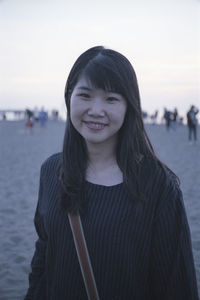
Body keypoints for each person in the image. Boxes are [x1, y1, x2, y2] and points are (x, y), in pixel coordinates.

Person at [24, 46, 198, 300]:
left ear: (129, 106)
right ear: (69, 97)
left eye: (111, 99)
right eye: (85, 95)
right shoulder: (52, 171)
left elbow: (175, 282)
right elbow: (44, 255)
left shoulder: (158, 186)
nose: (96, 110)